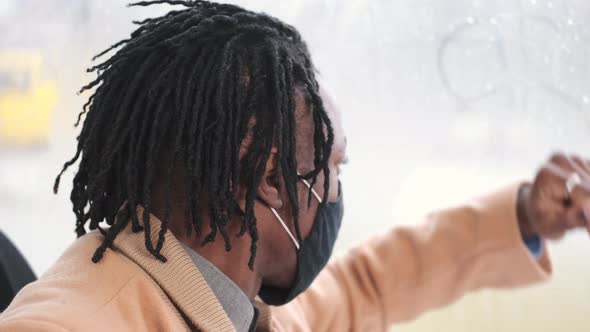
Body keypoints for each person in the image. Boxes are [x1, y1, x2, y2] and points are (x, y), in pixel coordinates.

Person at [1, 1, 589, 331]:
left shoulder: (228, 299)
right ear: (270, 180)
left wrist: (524, 217)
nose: (337, 191)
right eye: (332, 168)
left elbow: (369, 285)